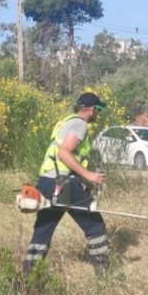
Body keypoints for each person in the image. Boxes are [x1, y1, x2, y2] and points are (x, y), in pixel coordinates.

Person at [23, 92, 111, 278]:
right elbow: (64, 153)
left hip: (47, 182)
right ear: (92, 109)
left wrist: (84, 180)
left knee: (43, 230)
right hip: (64, 184)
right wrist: (89, 175)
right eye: (99, 109)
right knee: (95, 226)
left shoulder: (65, 122)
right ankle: (105, 278)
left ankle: (28, 279)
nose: (99, 114)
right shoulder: (80, 124)